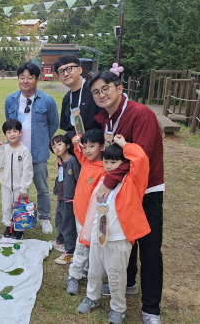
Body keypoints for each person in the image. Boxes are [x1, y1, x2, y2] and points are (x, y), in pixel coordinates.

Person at [90, 71, 164, 324]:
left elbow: (140, 154)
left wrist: (110, 181)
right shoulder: (106, 119)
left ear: (119, 88)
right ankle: (128, 282)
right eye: (96, 92)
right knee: (122, 239)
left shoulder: (141, 114)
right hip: (121, 192)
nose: (101, 94)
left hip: (146, 190)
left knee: (150, 248)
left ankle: (151, 309)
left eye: (106, 88)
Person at [77, 136, 151, 324]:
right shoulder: (103, 179)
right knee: (94, 269)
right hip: (98, 234)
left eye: (114, 162)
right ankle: (92, 297)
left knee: (116, 273)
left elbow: (141, 159)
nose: (109, 166)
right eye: (106, 162)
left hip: (118, 237)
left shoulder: (131, 181)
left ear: (124, 163)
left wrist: (125, 145)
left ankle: (118, 307)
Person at [4, 62, 59, 234]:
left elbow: (53, 124)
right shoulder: (10, 100)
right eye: (22, 77)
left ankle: (44, 217)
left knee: (42, 187)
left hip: (38, 154)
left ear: (37, 79)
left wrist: (42, 141)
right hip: (15, 154)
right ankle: (16, 217)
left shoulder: (48, 100)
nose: (26, 81)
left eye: (30, 77)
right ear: (18, 79)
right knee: (15, 188)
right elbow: (9, 124)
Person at [64, 128, 105, 295]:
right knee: (83, 246)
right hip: (79, 212)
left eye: (92, 146)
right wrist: (78, 139)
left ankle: (80, 272)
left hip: (91, 216)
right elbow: (77, 142)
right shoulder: (86, 160)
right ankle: (75, 275)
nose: (87, 150)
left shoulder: (105, 168)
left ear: (102, 147)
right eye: (85, 146)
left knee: (86, 246)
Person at [0, 119, 33, 240]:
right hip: (6, 184)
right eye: (9, 132)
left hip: (19, 187)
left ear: (20, 133)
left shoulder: (24, 150)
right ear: (5, 135)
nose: (12, 134)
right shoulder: (4, 149)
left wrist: (24, 188)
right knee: (6, 207)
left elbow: (28, 170)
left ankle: (18, 230)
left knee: (19, 208)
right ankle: (8, 226)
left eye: (15, 131)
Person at [54, 55, 101, 139]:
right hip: (74, 148)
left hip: (94, 146)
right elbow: (67, 129)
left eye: (69, 69)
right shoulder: (67, 98)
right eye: (61, 72)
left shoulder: (94, 90)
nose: (65, 74)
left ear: (80, 69)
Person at [50, 134, 80, 264]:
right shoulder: (61, 161)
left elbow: (78, 178)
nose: (56, 147)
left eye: (59, 144)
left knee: (68, 224)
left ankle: (70, 251)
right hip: (61, 196)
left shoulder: (72, 161)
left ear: (68, 145)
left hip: (70, 198)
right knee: (59, 219)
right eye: (54, 146)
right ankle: (61, 241)